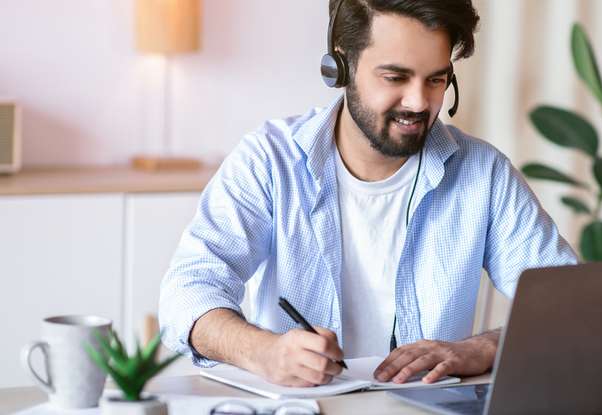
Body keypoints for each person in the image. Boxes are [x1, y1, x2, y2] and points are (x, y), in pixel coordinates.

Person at [159, 0, 577, 388]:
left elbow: (570, 306)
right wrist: (263, 352)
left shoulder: (483, 173)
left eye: (436, 79)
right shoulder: (269, 160)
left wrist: (480, 348)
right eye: (395, 77)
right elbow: (186, 293)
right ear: (340, 64)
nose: (418, 102)